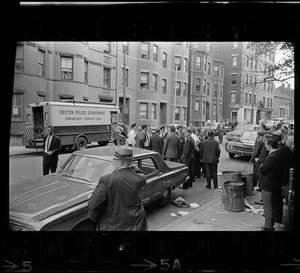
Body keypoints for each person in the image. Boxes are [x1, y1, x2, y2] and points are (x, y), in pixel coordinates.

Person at [88, 146, 148, 231]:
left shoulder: (106, 180)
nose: (112, 164)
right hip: (135, 224)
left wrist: (95, 218)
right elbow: (143, 177)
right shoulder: (140, 178)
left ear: (120, 163)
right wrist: (137, 170)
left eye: (114, 161)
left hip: (113, 226)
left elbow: (93, 204)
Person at [258, 137, 281, 231]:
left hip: (268, 184)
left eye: (266, 144)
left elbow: (262, 169)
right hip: (272, 183)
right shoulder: (277, 154)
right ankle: (269, 224)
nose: (265, 145)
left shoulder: (272, 157)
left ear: (270, 145)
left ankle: (268, 227)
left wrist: (262, 166)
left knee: (267, 207)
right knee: (269, 206)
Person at [272, 131, 293, 224]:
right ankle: (277, 216)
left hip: (279, 178)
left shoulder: (280, 150)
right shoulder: (286, 149)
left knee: (277, 198)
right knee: (278, 198)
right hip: (284, 177)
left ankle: (277, 216)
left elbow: (280, 166)